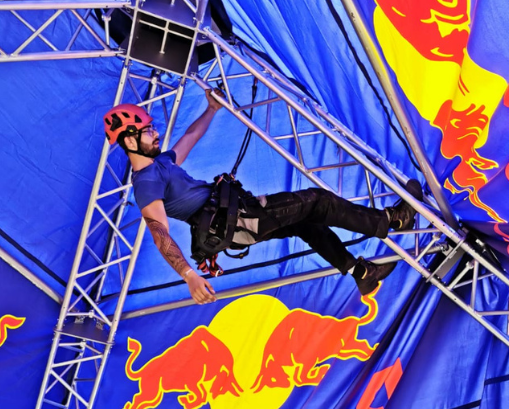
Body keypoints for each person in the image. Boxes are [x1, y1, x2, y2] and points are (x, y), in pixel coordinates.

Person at [103, 95, 421, 305]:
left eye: (153, 128)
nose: (155, 134)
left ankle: (360, 275)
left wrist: (212, 109)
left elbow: (189, 137)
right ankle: (391, 220)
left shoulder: (162, 164)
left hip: (239, 215)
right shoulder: (145, 182)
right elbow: (159, 232)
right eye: (148, 131)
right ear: (129, 140)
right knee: (318, 202)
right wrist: (189, 275)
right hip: (239, 219)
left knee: (307, 223)